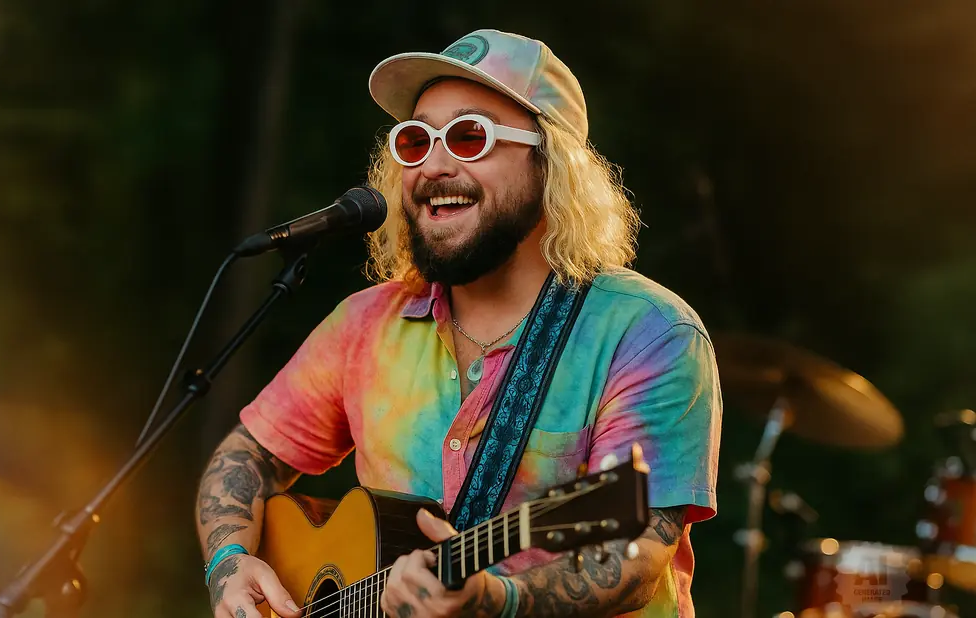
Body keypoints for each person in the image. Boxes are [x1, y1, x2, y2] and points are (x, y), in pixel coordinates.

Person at [195, 28, 722, 618]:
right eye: (416, 141)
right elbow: (245, 456)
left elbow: (638, 555)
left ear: (554, 165)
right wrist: (229, 566)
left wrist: (499, 599)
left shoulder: (648, 332)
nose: (434, 166)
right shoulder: (364, 324)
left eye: (470, 137)